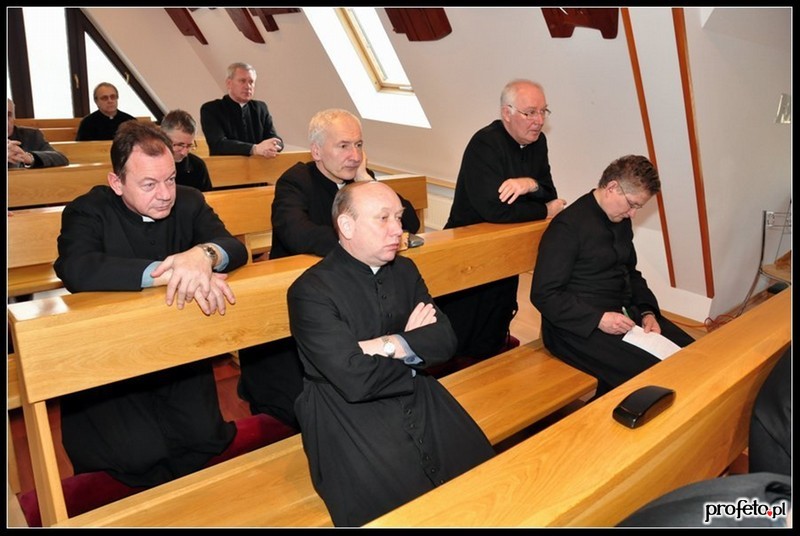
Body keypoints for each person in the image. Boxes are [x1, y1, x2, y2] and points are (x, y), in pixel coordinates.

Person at [53, 120, 248, 488]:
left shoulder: (190, 201)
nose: (165, 194)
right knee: (137, 456)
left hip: (180, 353)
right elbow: (78, 268)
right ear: (117, 183)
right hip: (115, 362)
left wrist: (204, 255)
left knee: (202, 440)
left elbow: (234, 247)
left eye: (170, 179)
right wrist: (175, 271)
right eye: (149, 184)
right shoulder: (87, 210)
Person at [287, 181, 495, 526]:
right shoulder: (310, 291)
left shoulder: (405, 270)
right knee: (400, 509)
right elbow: (354, 379)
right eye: (383, 218)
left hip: (417, 393)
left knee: (482, 480)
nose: (398, 229)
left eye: (398, 217)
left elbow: (445, 340)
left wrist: (383, 344)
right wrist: (411, 345)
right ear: (347, 226)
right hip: (343, 410)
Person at [237, 108, 421, 427]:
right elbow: (297, 234)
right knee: (301, 405)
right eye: (344, 146)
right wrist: (362, 243)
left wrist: (366, 180)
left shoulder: (360, 180)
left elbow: (411, 223)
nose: (355, 155)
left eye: (359, 145)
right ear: (317, 151)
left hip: (351, 294)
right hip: (299, 299)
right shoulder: (296, 180)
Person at [530, 154, 695, 398]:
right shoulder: (568, 227)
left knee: (696, 355)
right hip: (577, 327)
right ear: (612, 187)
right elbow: (544, 294)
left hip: (622, 314)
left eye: (639, 207)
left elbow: (630, 272)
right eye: (632, 204)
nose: (633, 214)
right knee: (660, 377)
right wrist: (598, 319)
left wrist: (647, 311)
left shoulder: (619, 218)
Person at [436, 79, 567, 360]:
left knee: (497, 318)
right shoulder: (485, 143)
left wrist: (529, 183)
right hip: (468, 246)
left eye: (543, 111)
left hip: (508, 245)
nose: (539, 120)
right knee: (462, 328)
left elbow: (549, 191)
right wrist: (544, 210)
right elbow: (494, 210)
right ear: (506, 113)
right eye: (530, 113)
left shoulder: (538, 142)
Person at [200, 62, 283, 157]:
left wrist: (274, 145)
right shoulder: (211, 109)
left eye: (251, 82)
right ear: (229, 83)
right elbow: (218, 144)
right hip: (226, 164)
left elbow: (273, 137)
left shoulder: (260, 108)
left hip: (259, 164)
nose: (248, 86)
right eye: (242, 81)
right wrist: (254, 149)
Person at [7, 98, 69, 168]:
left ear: (14, 117)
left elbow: (61, 158)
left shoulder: (32, 135)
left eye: (8, 115)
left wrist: (29, 158)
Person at [160, 109, 213, 191]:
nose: (184, 153)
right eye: (179, 145)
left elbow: (206, 196)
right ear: (163, 138)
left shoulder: (197, 166)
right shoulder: (149, 165)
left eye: (189, 146)